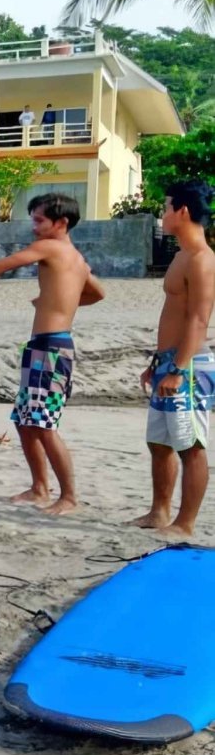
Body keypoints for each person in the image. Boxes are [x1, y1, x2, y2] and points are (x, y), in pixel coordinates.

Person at [0, 193, 105, 515]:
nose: (34, 228)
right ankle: (39, 488)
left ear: (61, 223)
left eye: (39, 221)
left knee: (44, 426)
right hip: (47, 345)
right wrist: (56, 302)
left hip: (51, 348)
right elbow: (98, 293)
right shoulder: (77, 258)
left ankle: (69, 497)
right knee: (24, 421)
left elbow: (7, 262)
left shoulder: (52, 247)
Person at [132, 183, 215, 537]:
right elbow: (174, 315)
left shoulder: (202, 258)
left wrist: (179, 370)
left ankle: (186, 523)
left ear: (182, 211)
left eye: (166, 207)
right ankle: (159, 512)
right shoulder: (181, 255)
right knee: (159, 442)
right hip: (169, 361)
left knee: (191, 445)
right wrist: (157, 363)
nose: (162, 214)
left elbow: (199, 318)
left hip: (191, 366)